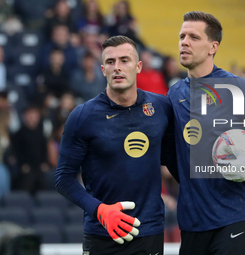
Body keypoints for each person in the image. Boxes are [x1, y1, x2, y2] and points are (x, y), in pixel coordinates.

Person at [167, 11, 245, 255]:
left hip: (238, 215)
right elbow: (174, 154)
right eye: (182, 36)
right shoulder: (174, 95)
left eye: (193, 37)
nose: (184, 42)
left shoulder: (237, 87)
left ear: (213, 47)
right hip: (194, 221)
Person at [55, 35, 175, 255]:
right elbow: (63, 178)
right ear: (103, 69)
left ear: (138, 66)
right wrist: (100, 211)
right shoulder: (83, 116)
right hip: (102, 235)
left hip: (149, 232)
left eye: (124, 60)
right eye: (111, 62)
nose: (117, 67)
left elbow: (174, 161)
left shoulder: (161, 107)